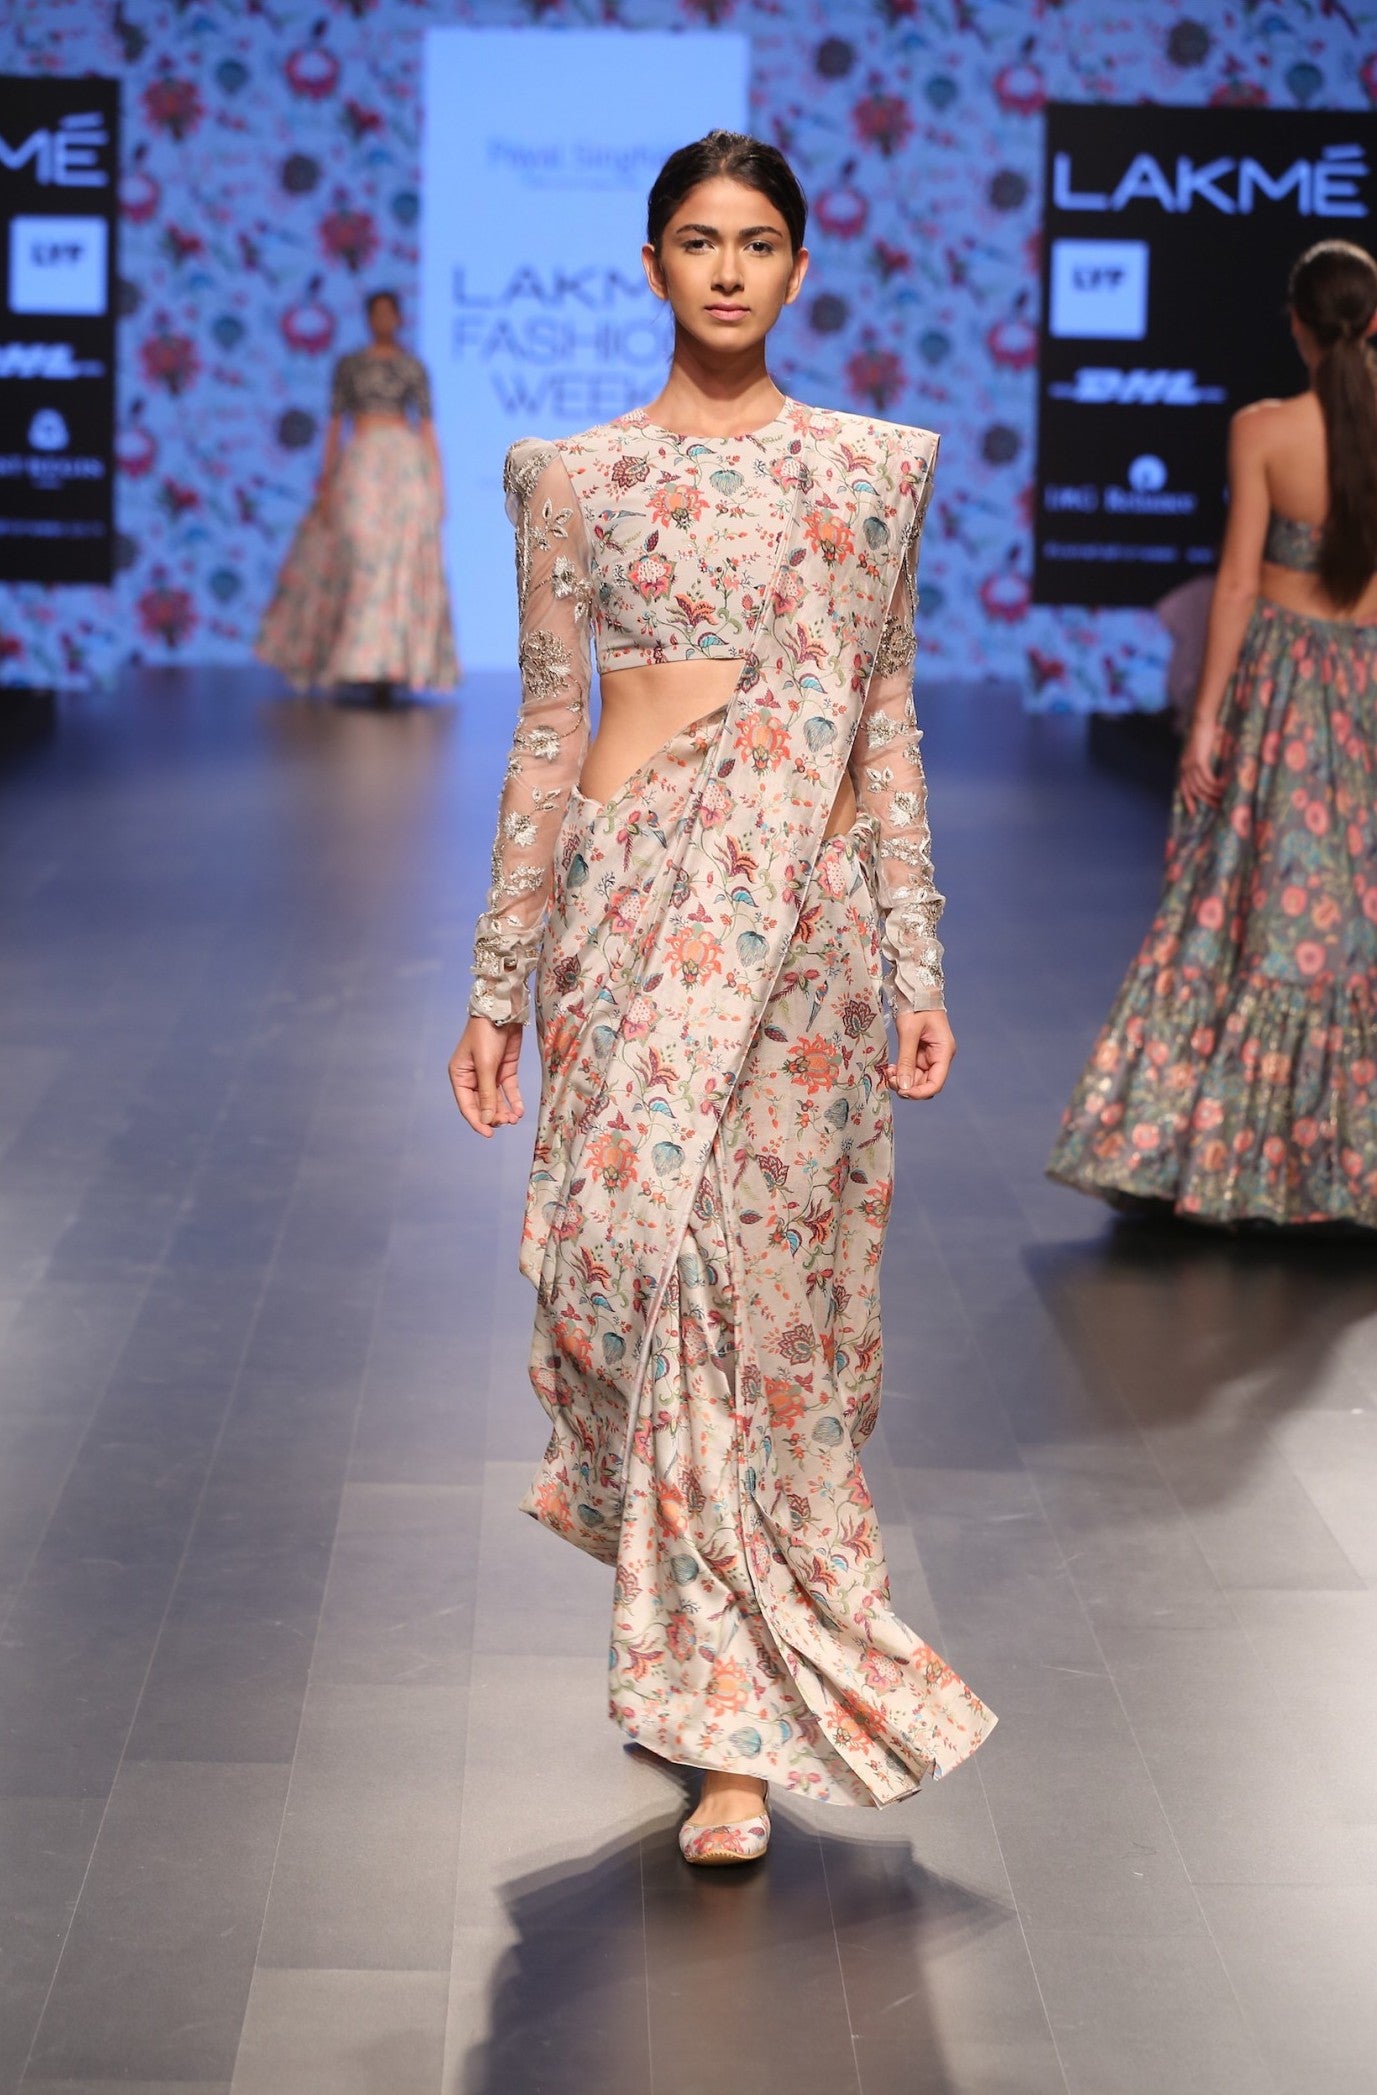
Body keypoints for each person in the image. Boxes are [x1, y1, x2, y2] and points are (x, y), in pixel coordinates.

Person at [448, 131, 994, 1865]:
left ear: (800, 268)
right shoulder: (570, 477)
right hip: (627, 924)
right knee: (633, 1268)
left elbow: (882, 720)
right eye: (698, 240)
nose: (730, 270)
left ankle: (723, 1729)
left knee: (754, 1303)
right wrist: (497, 979)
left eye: (758, 242)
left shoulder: (869, 473)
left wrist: (916, 958)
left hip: (801, 937)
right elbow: (548, 726)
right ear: (650, 265)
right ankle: (703, 1652)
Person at [1050, 240, 1377, 1229]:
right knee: (1352, 911)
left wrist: (1201, 723)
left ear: (1295, 325)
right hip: (1365, 686)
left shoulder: (1264, 429)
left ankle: (1228, 1159)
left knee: (1243, 902)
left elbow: (1234, 584)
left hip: (1280, 689)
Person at [256, 288, 458, 702]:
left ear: (399, 318)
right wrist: (326, 481)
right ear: (368, 319)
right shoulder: (349, 365)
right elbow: (335, 425)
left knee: (398, 559)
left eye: (389, 313)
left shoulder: (413, 367)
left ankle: (390, 665)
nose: (384, 320)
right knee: (359, 552)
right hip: (363, 459)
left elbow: (428, 428)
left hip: (404, 465)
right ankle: (357, 660)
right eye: (376, 313)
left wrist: (438, 485)